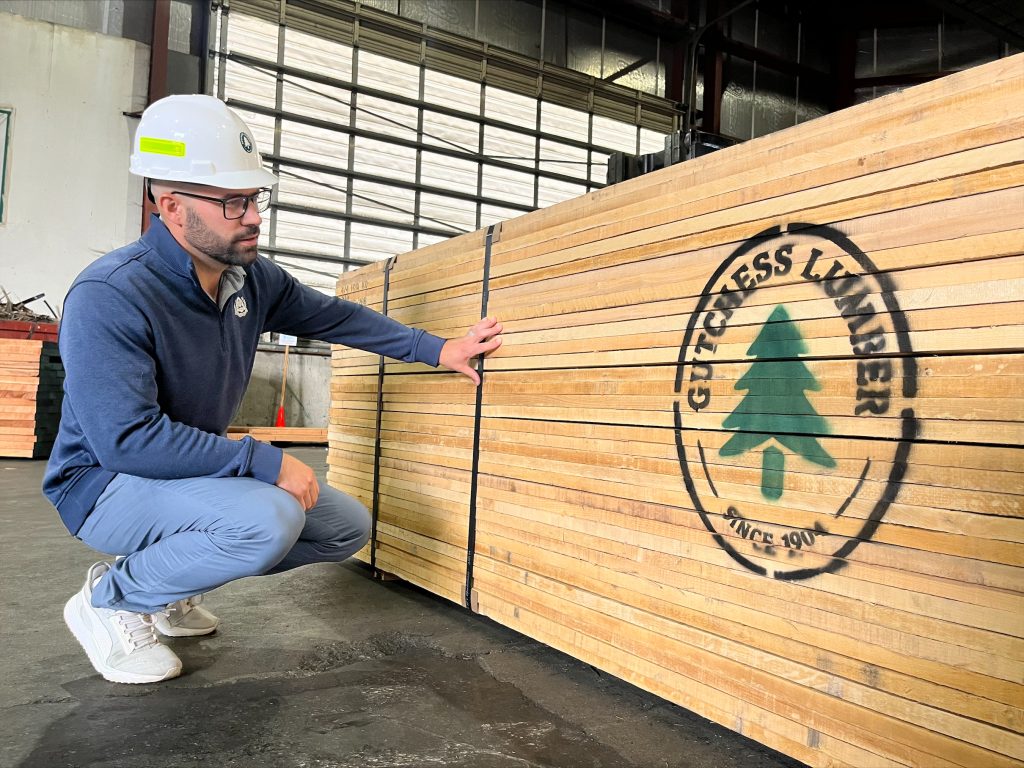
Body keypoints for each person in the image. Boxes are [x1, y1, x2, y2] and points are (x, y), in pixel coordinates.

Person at [43, 94, 502, 685]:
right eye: (232, 202)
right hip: (103, 483)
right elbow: (127, 441)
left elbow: (335, 317)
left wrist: (438, 349)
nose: (253, 216)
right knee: (267, 520)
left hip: (181, 472)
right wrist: (263, 460)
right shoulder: (111, 294)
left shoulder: (250, 279)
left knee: (344, 527)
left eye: (255, 198)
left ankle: (165, 588)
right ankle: (112, 599)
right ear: (172, 206)